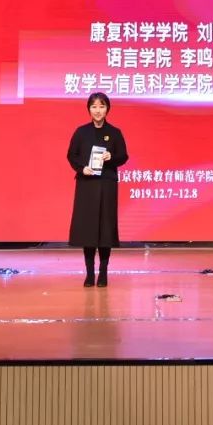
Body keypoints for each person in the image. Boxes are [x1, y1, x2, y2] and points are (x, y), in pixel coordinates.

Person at [67, 92, 129, 288]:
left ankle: (103, 272)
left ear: (107, 108)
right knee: (88, 229)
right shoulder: (81, 132)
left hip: (107, 185)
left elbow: (124, 156)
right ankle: (89, 273)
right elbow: (71, 155)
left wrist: (112, 157)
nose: (98, 110)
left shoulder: (115, 132)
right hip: (87, 185)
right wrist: (81, 168)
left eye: (101, 106)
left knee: (105, 230)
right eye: (94, 106)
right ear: (89, 109)